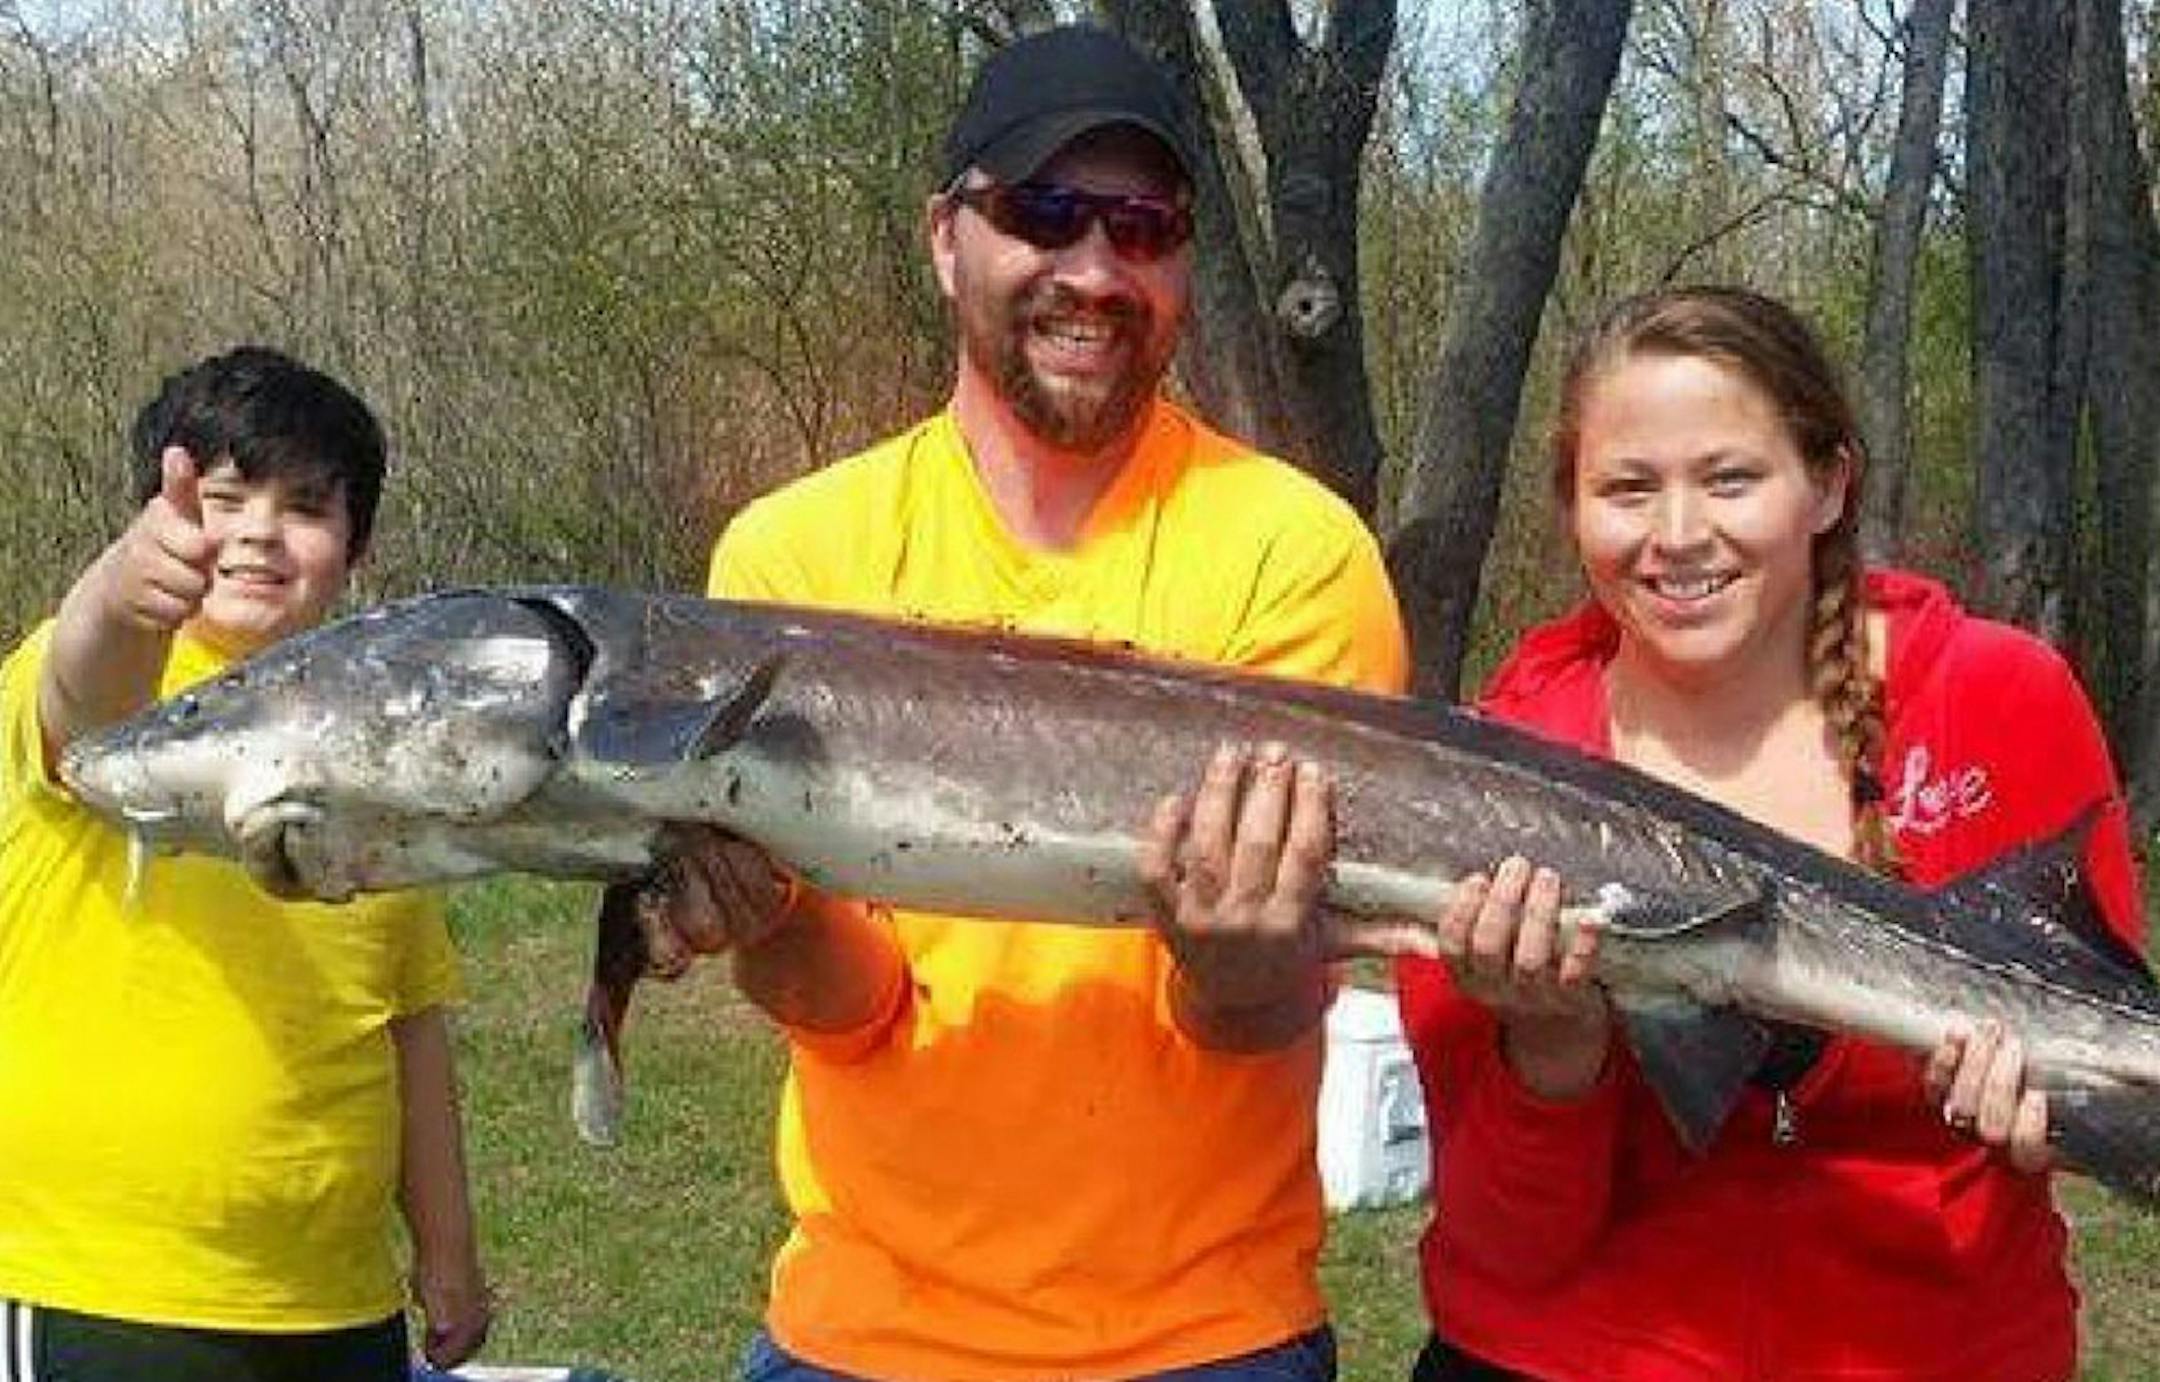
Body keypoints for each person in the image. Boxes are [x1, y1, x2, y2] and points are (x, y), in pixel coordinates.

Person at [641, 23, 1408, 1382]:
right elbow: (855, 1010)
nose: (1094, 271)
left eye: (1144, 226)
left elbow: (1249, 1020)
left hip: (1204, 1340)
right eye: (1043, 213)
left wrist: (1245, 950)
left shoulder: (1296, 551)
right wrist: (758, 922)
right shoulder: (789, 566)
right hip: (860, 1335)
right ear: (946, 238)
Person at [1395, 286, 2144, 1381]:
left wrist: (2050, 1126)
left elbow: (2119, 1054)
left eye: (1731, 477)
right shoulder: (1494, 780)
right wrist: (1552, 1051)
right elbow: (1511, 1243)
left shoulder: (1998, 699)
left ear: (1828, 483)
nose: (1679, 534)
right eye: (1628, 488)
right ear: (1571, 511)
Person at [0, 347, 491, 1381]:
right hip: (104, 1288)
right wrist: (124, 590)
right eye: (225, 498)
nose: (262, 528)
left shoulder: (382, 737)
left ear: (353, 546)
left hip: (335, 1304)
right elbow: (89, 694)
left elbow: (408, 1024)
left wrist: (449, 1252)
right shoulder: (94, 673)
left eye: (307, 505)